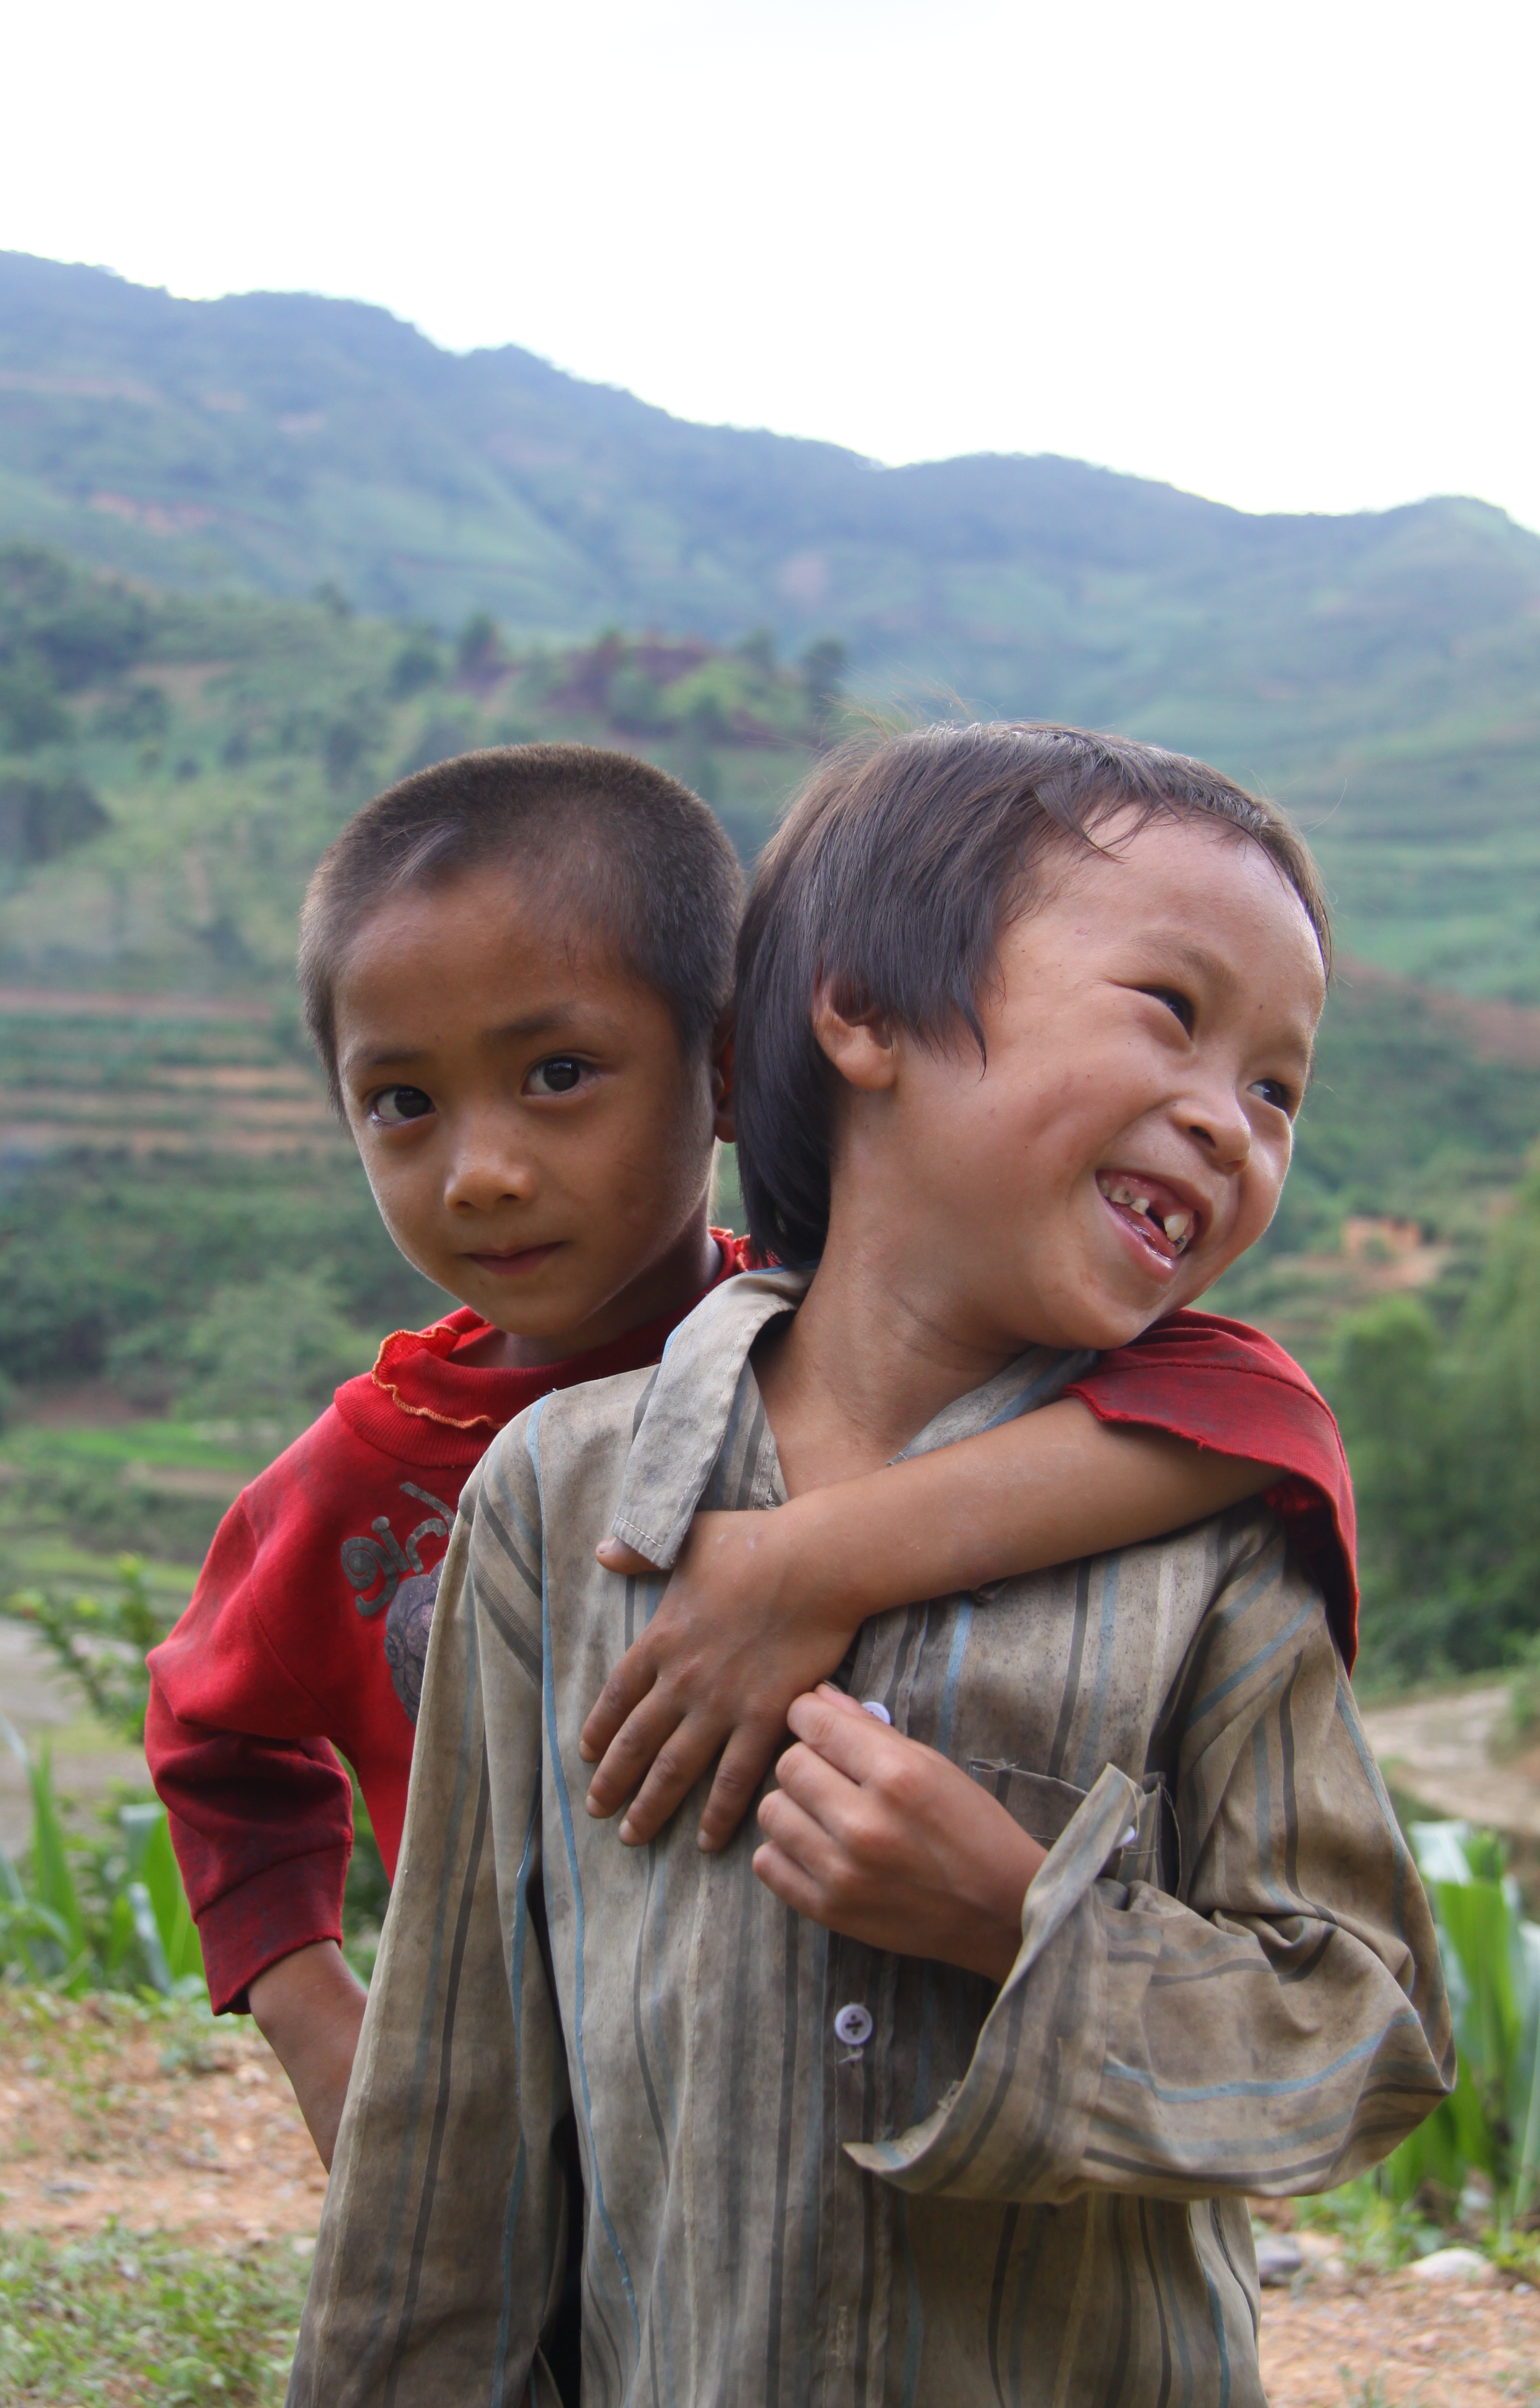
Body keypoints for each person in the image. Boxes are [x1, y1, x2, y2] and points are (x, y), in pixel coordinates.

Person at [289, 725, 1449, 2408]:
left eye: (1279, 1086)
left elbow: (1363, 2038)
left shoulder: (1212, 1552)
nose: (1230, 1122)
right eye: (1171, 1011)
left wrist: (1018, 1922)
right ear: (863, 1012)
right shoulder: (557, 1504)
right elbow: (453, 2105)